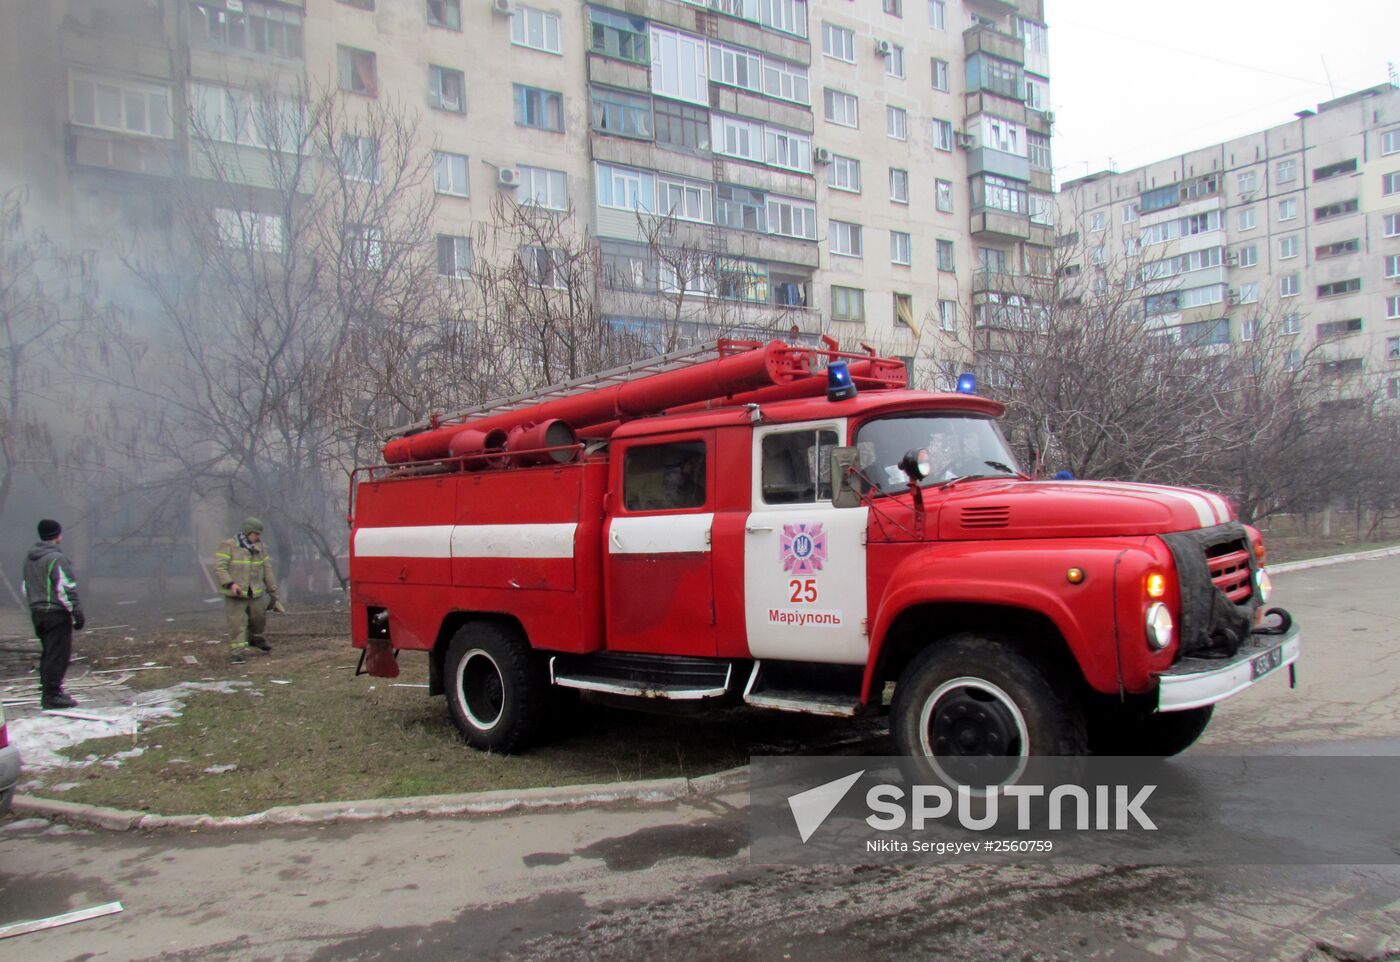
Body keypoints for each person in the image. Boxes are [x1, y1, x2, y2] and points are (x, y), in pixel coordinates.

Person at [21, 518, 85, 710]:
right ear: (58, 535)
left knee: (48, 653)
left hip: (37, 612)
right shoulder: (57, 559)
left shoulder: (30, 558)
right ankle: (52, 695)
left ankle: (48, 691)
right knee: (58, 654)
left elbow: (26, 586)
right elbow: (65, 588)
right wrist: (76, 613)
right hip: (56, 613)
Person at [215, 517, 284, 664]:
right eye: (255, 534)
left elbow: (267, 570)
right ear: (247, 532)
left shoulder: (260, 548)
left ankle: (256, 640)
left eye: (259, 534)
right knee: (237, 624)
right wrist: (230, 584)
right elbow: (220, 568)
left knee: (259, 619)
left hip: (255, 593)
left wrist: (273, 592)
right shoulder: (228, 545)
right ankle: (237, 653)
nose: (257, 537)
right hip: (236, 594)